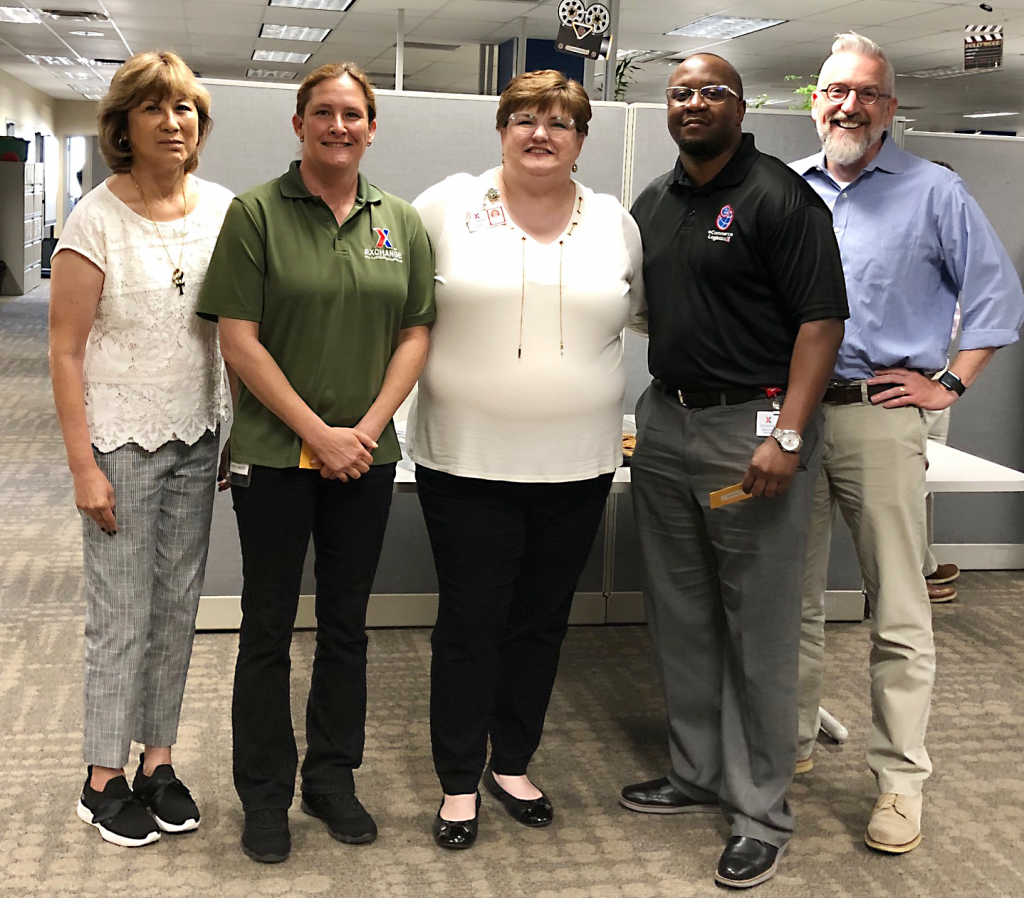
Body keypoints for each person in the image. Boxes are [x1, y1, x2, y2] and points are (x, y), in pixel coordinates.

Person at [196, 62, 435, 864]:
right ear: (298, 124)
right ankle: (264, 795)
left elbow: (415, 333)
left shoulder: (398, 220)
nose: (340, 126)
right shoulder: (256, 214)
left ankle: (332, 780)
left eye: (354, 114)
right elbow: (240, 340)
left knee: (346, 628)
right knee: (265, 630)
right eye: (324, 113)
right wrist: (317, 435)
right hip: (274, 457)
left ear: (373, 128)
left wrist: (363, 429)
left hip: (366, 455)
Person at [619, 54, 848, 889]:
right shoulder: (654, 201)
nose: (693, 103)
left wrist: (787, 437)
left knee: (761, 627)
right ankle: (695, 772)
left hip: (752, 429)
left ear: (740, 106)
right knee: (680, 614)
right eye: (680, 92)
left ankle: (760, 810)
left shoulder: (780, 197)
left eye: (711, 91)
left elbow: (821, 325)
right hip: (667, 421)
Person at [792, 32, 1024, 854]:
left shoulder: (935, 192)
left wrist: (948, 384)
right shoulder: (785, 190)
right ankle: (788, 750)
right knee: (791, 601)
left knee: (897, 606)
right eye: (835, 91)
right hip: (788, 421)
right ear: (813, 102)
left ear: (891, 107)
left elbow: (997, 302)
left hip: (879, 417)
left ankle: (899, 782)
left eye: (867, 92)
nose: (849, 105)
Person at [406, 69, 644, 850]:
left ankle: (512, 760)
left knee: (541, 624)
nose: (541, 133)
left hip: (578, 464)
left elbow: (637, 313)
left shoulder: (615, 221)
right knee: (471, 623)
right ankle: (455, 781)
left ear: (581, 139)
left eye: (561, 122)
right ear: (501, 127)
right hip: (466, 460)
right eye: (525, 118)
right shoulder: (445, 207)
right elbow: (401, 311)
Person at [48, 50, 233, 848]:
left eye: (185, 108)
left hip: (196, 435)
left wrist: (231, 429)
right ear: (123, 125)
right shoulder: (95, 217)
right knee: (121, 614)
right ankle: (101, 777)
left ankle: (158, 760)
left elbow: (233, 333)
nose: (172, 122)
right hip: (118, 439)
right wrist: (83, 465)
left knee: (177, 608)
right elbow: (64, 350)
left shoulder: (224, 209)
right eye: (154, 108)